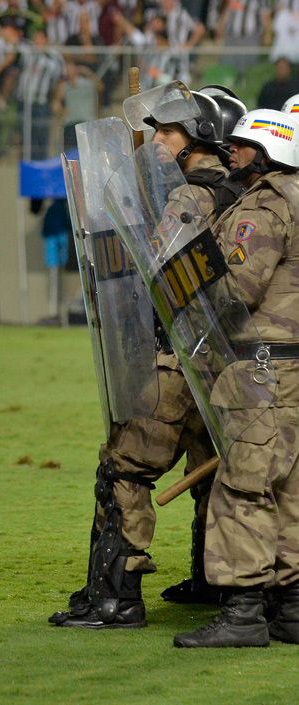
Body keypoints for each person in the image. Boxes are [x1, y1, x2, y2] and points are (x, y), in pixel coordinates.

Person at [51, 86, 242, 630]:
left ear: (200, 138)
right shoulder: (235, 193)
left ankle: (116, 595)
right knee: (212, 474)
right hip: (215, 365)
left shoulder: (190, 200)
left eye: (167, 132)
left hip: (176, 357)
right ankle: (214, 579)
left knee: (124, 468)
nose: (156, 141)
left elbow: (157, 275)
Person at [174, 109, 299, 648]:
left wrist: (186, 284)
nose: (232, 154)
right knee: (291, 485)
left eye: (242, 146)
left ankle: (244, 610)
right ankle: (291, 607)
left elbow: (237, 288)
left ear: (265, 154)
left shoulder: (267, 205)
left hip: (261, 360)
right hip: (293, 361)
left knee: (244, 481)